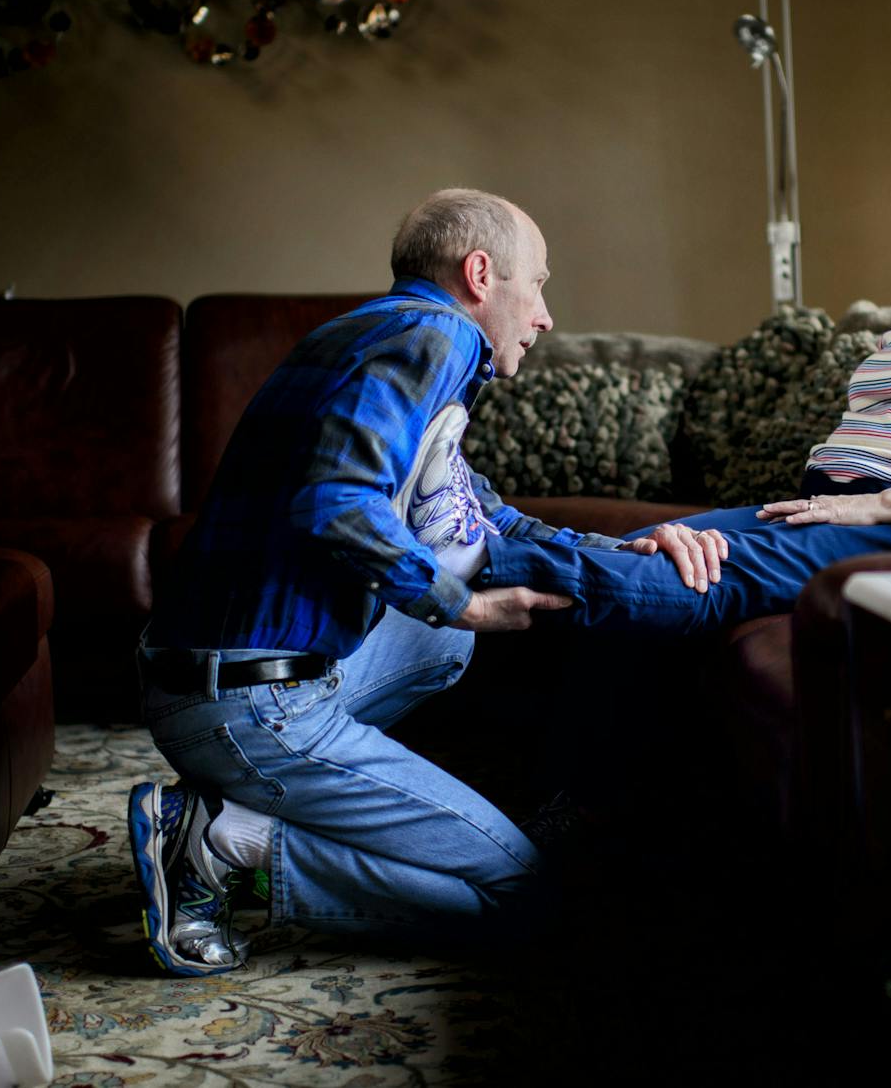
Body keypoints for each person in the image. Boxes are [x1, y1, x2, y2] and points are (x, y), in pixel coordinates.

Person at [128, 188, 727, 976]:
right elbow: (336, 502)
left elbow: (488, 520)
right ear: (480, 273)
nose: (545, 315)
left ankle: (250, 794)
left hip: (198, 676)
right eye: (538, 283)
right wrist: (465, 602)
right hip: (248, 702)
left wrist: (629, 551)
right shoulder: (437, 336)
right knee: (523, 892)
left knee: (443, 645)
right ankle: (226, 848)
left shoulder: (372, 330)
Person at [458, 113, 891, 632]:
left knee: (670, 576)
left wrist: (872, 506)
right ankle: (589, 794)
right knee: (638, 549)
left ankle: (448, 563)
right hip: (830, 514)